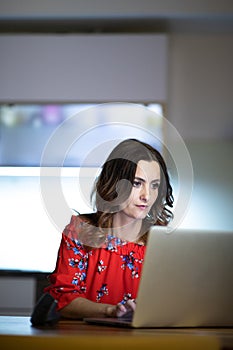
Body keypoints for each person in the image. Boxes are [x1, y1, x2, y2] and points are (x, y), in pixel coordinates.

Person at [44, 138, 174, 319]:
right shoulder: (79, 231)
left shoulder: (164, 243)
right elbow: (64, 299)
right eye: (137, 183)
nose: (147, 196)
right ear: (115, 184)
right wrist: (111, 311)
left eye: (154, 186)